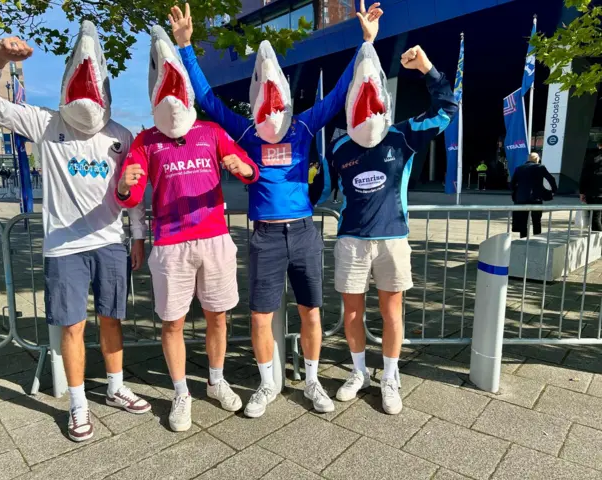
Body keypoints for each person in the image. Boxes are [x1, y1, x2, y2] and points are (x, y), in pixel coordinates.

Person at [171, 0, 383, 418]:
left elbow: (342, 92)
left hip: (303, 232)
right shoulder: (246, 130)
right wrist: (185, 48)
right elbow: (209, 101)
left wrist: (366, 44)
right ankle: (268, 384)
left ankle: (312, 380)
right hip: (265, 235)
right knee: (260, 316)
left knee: (311, 312)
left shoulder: (303, 125)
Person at [0, 22, 152, 443]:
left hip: (109, 242)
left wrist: (138, 235)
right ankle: (78, 402)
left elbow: (136, 190)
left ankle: (116, 386)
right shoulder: (45, 124)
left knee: (112, 320)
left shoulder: (120, 136)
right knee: (71, 327)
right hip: (64, 248)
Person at [116, 26, 259, 432]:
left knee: (218, 317)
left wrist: (243, 168)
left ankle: (216, 381)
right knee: (172, 322)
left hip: (214, 239)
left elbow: (250, 169)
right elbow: (132, 194)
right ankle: (181, 393)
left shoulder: (211, 132)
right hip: (170, 244)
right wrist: (126, 189)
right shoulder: (145, 140)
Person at [326, 42, 458, 414]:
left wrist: (428, 68)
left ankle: (389, 377)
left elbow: (447, 109)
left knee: (392, 313)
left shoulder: (402, 135)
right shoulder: (338, 147)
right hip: (351, 240)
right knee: (351, 313)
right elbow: (319, 188)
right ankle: (358, 373)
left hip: (393, 240)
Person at [511, 152, 558, 238]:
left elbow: (512, 184)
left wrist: (517, 193)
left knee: (523, 221)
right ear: (537, 159)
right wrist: (554, 191)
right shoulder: (540, 167)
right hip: (536, 198)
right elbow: (551, 179)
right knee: (536, 220)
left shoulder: (519, 168)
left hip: (521, 198)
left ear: (528, 159)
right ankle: (537, 237)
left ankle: (523, 238)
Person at [579, 141, 602, 231]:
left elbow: (584, 176)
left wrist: (582, 192)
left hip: (594, 192)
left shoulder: (592, 158)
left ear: (598, 145)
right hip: (595, 191)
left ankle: (598, 241)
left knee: (595, 217)